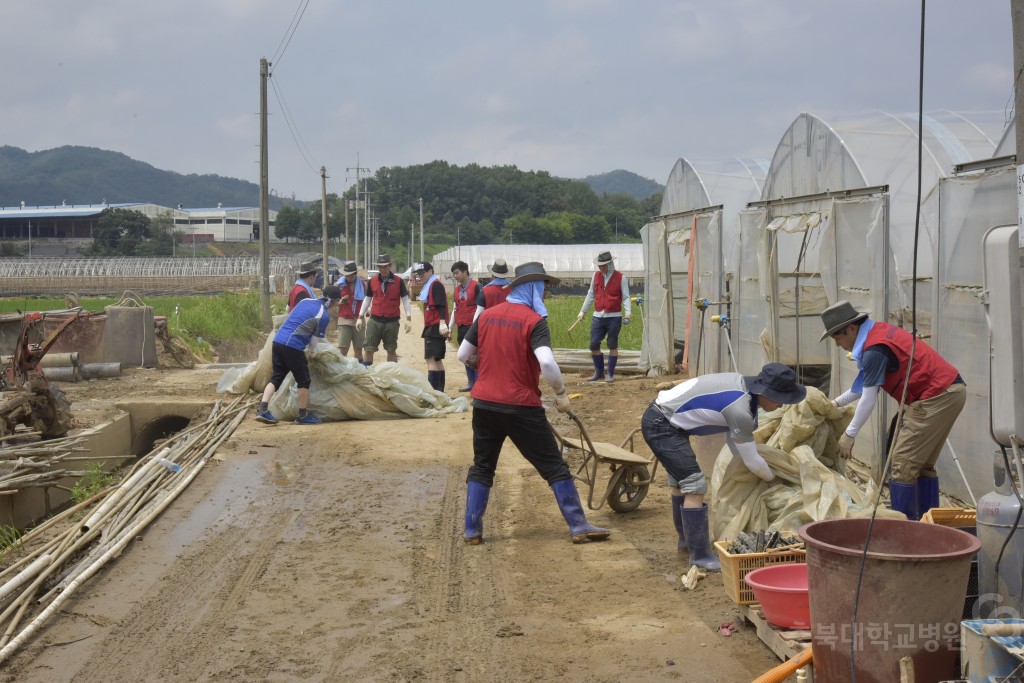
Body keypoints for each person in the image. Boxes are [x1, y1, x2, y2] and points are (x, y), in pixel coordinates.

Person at [457, 261, 611, 545]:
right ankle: (578, 525)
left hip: (485, 404)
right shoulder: (533, 322)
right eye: (543, 289)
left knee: (482, 466)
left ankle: (472, 530)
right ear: (532, 288)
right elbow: (547, 363)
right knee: (553, 465)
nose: (545, 294)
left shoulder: (487, 316)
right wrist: (561, 393)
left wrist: (484, 363)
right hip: (521, 407)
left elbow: (462, 355)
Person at [642, 363, 807, 571]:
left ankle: (686, 543)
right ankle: (700, 556)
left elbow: (736, 443)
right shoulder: (740, 409)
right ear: (767, 393)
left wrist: (750, 464)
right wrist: (774, 480)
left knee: (681, 483)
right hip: (662, 424)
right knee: (695, 485)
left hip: (664, 418)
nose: (782, 406)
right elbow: (751, 460)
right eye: (781, 401)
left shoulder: (743, 389)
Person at [820, 300, 966, 520]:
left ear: (851, 329)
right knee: (921, 465)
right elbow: (860, 388)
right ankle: (927, 526)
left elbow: (869, 398)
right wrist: (831, 405)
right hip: (949, 391)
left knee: (902, 465)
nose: (839, 345)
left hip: (936, 395)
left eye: (837, 338)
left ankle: (903, 530)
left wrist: (849, 434)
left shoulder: (874, 350)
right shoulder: (875, 336)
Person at [256, 284, 343, 425]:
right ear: (333, 301)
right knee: (304, 380)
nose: (337, 304)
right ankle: (302, 414)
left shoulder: (306, 301)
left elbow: (294, 318)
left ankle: (263, 409)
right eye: (337, 301)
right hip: (292, 346)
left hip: (277, 341)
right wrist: (313, 353)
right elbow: (314, 341)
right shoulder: (324, 314)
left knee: (276, 378)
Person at [576, 251, 631, 383]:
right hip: (598, 316)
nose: (601, 268)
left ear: (610, 264)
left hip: (614, 316)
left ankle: (610, 374)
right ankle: (599, 373)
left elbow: (626, 297)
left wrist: (628, 313)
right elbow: (591, 295)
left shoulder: (621, 277)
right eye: (599, 266)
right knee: (594, 344)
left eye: (604, 265)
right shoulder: (595, 276)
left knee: (612, 344)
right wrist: (583, 311)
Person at [356, 253, 412, 365]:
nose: (383, 269)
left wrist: (408, 318)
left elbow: (405, 300)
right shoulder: (372, 281)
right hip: (375, 319)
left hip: (392, 321)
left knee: (391, 349)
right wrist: (360, 316)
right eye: (380, 267)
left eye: (385, 266)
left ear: (390, 265)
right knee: (368, 348)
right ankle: (367, 372)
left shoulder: (398, 281)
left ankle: (391, 372)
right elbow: (367, 299)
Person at [414, 262, 449, 391]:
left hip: (434, 326)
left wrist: (442, 322)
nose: (420, 276)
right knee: (437, 359)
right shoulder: (431, 285)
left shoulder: (435, 285)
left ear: (430, 271)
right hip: (434, 325)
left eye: (422, 273)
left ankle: (434, 391)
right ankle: (439, 391)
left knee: (431, 359)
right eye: (419, 274)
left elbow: (441, 305)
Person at [448, 260, 480, 391]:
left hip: (473, 327)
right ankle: (471, 382)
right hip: (461, 327)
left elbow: (481, 307)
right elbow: (455, 309)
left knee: (475, 356)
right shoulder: (456, 290)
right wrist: (450, 327)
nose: (455, 276)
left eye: (457, 273)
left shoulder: (477, 287)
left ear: (465, 272)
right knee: (465, 356)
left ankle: (478, 384)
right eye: (454, 274)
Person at [335, 261, 366, 359]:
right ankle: (342, 371)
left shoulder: (363, 285)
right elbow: (333, 302)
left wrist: (368, 310)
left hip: (359, 319)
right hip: (344, 320)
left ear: (355, 274)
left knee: (358, 349)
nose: (348, 278)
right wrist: (340, 301)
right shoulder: (339, 285)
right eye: (346, 276)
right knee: (343, 350)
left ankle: (359, 371)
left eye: (350, 276)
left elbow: (367, 300)